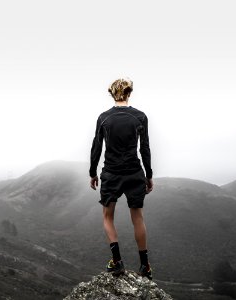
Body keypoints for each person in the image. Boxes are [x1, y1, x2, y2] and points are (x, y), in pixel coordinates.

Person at [89, 77, 154, 279]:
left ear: (111, 94)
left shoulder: (104, 118)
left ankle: (117, 262)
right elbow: (144, 148)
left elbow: (97, 147)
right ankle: (145, 266)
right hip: (134, 171)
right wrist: (149, 175)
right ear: (129, 93)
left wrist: (92, 172)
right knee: (138, 218)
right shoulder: (140, 117)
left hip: (111, 173)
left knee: (108, 216)